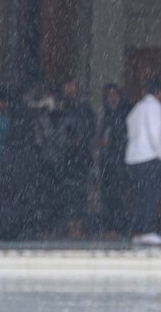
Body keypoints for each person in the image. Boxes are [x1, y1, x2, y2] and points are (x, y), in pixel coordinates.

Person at [125, 78, 161, 245]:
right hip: (149, 156)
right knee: (151, 195)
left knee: (139, 196)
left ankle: (138, 231)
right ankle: (148, 230)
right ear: (159, 92)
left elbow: (129, 126)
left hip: (134, 157)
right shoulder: (155, 106)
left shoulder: (138, 107)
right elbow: (155, 132)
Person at [53, 79, 95, 238]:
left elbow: (90, 130)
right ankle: (71, 227)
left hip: (81, 157)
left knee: (81, 193)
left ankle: (79, 227)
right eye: (67, 88)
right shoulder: (60, 110)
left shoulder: (85, 110)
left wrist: (82, 141)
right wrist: (69, 141)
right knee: (68, 194)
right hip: (66, 158)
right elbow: (58, 134)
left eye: (73, 88)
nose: (71, 91)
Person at [97, 83, 132, 236]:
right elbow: (99, 134)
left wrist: (114, 144)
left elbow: (126, 135)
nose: (112, 97)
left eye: (114, 93)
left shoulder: (125, 112)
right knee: (107, 195)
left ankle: (119, 227)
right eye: (108, 94)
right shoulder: (105, 113)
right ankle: (109, 227)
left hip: (120, 159)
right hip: (106, 161)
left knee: (120, 195)